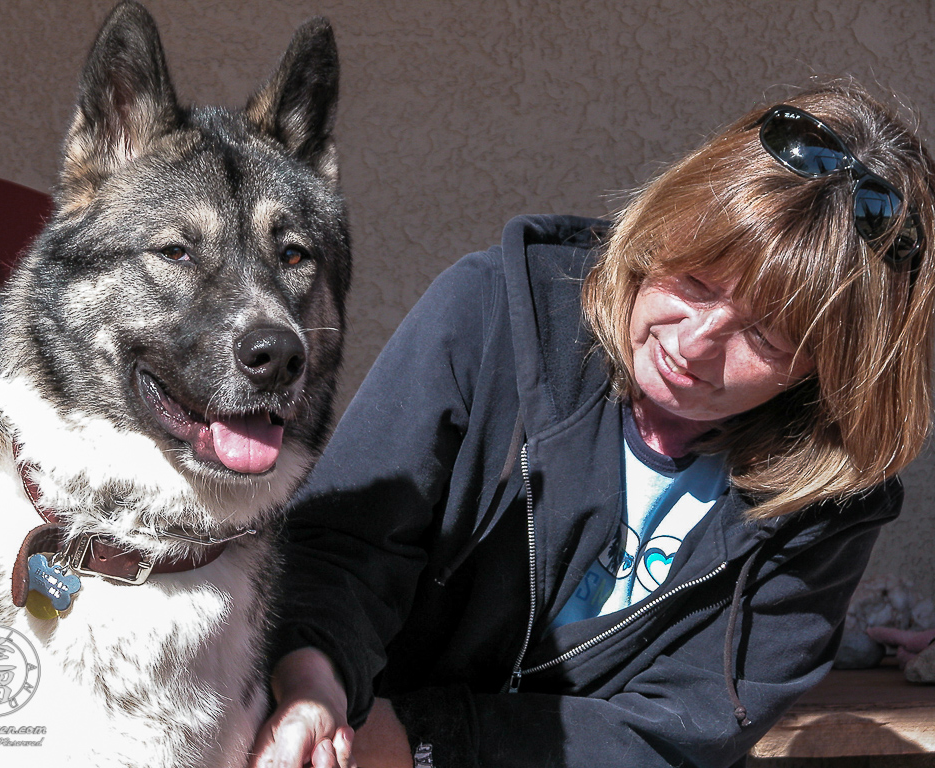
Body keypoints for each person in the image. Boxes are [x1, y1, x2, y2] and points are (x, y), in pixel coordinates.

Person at [250, 81, 935, 768]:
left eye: (765, 336)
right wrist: (315, 685)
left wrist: (423, 742)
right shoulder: (491, 314)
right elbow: (343, 546)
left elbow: (679, 729)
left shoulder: (828, 509)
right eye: (694, 283)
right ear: (661, 227)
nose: (693, 344)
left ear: (829, 370)